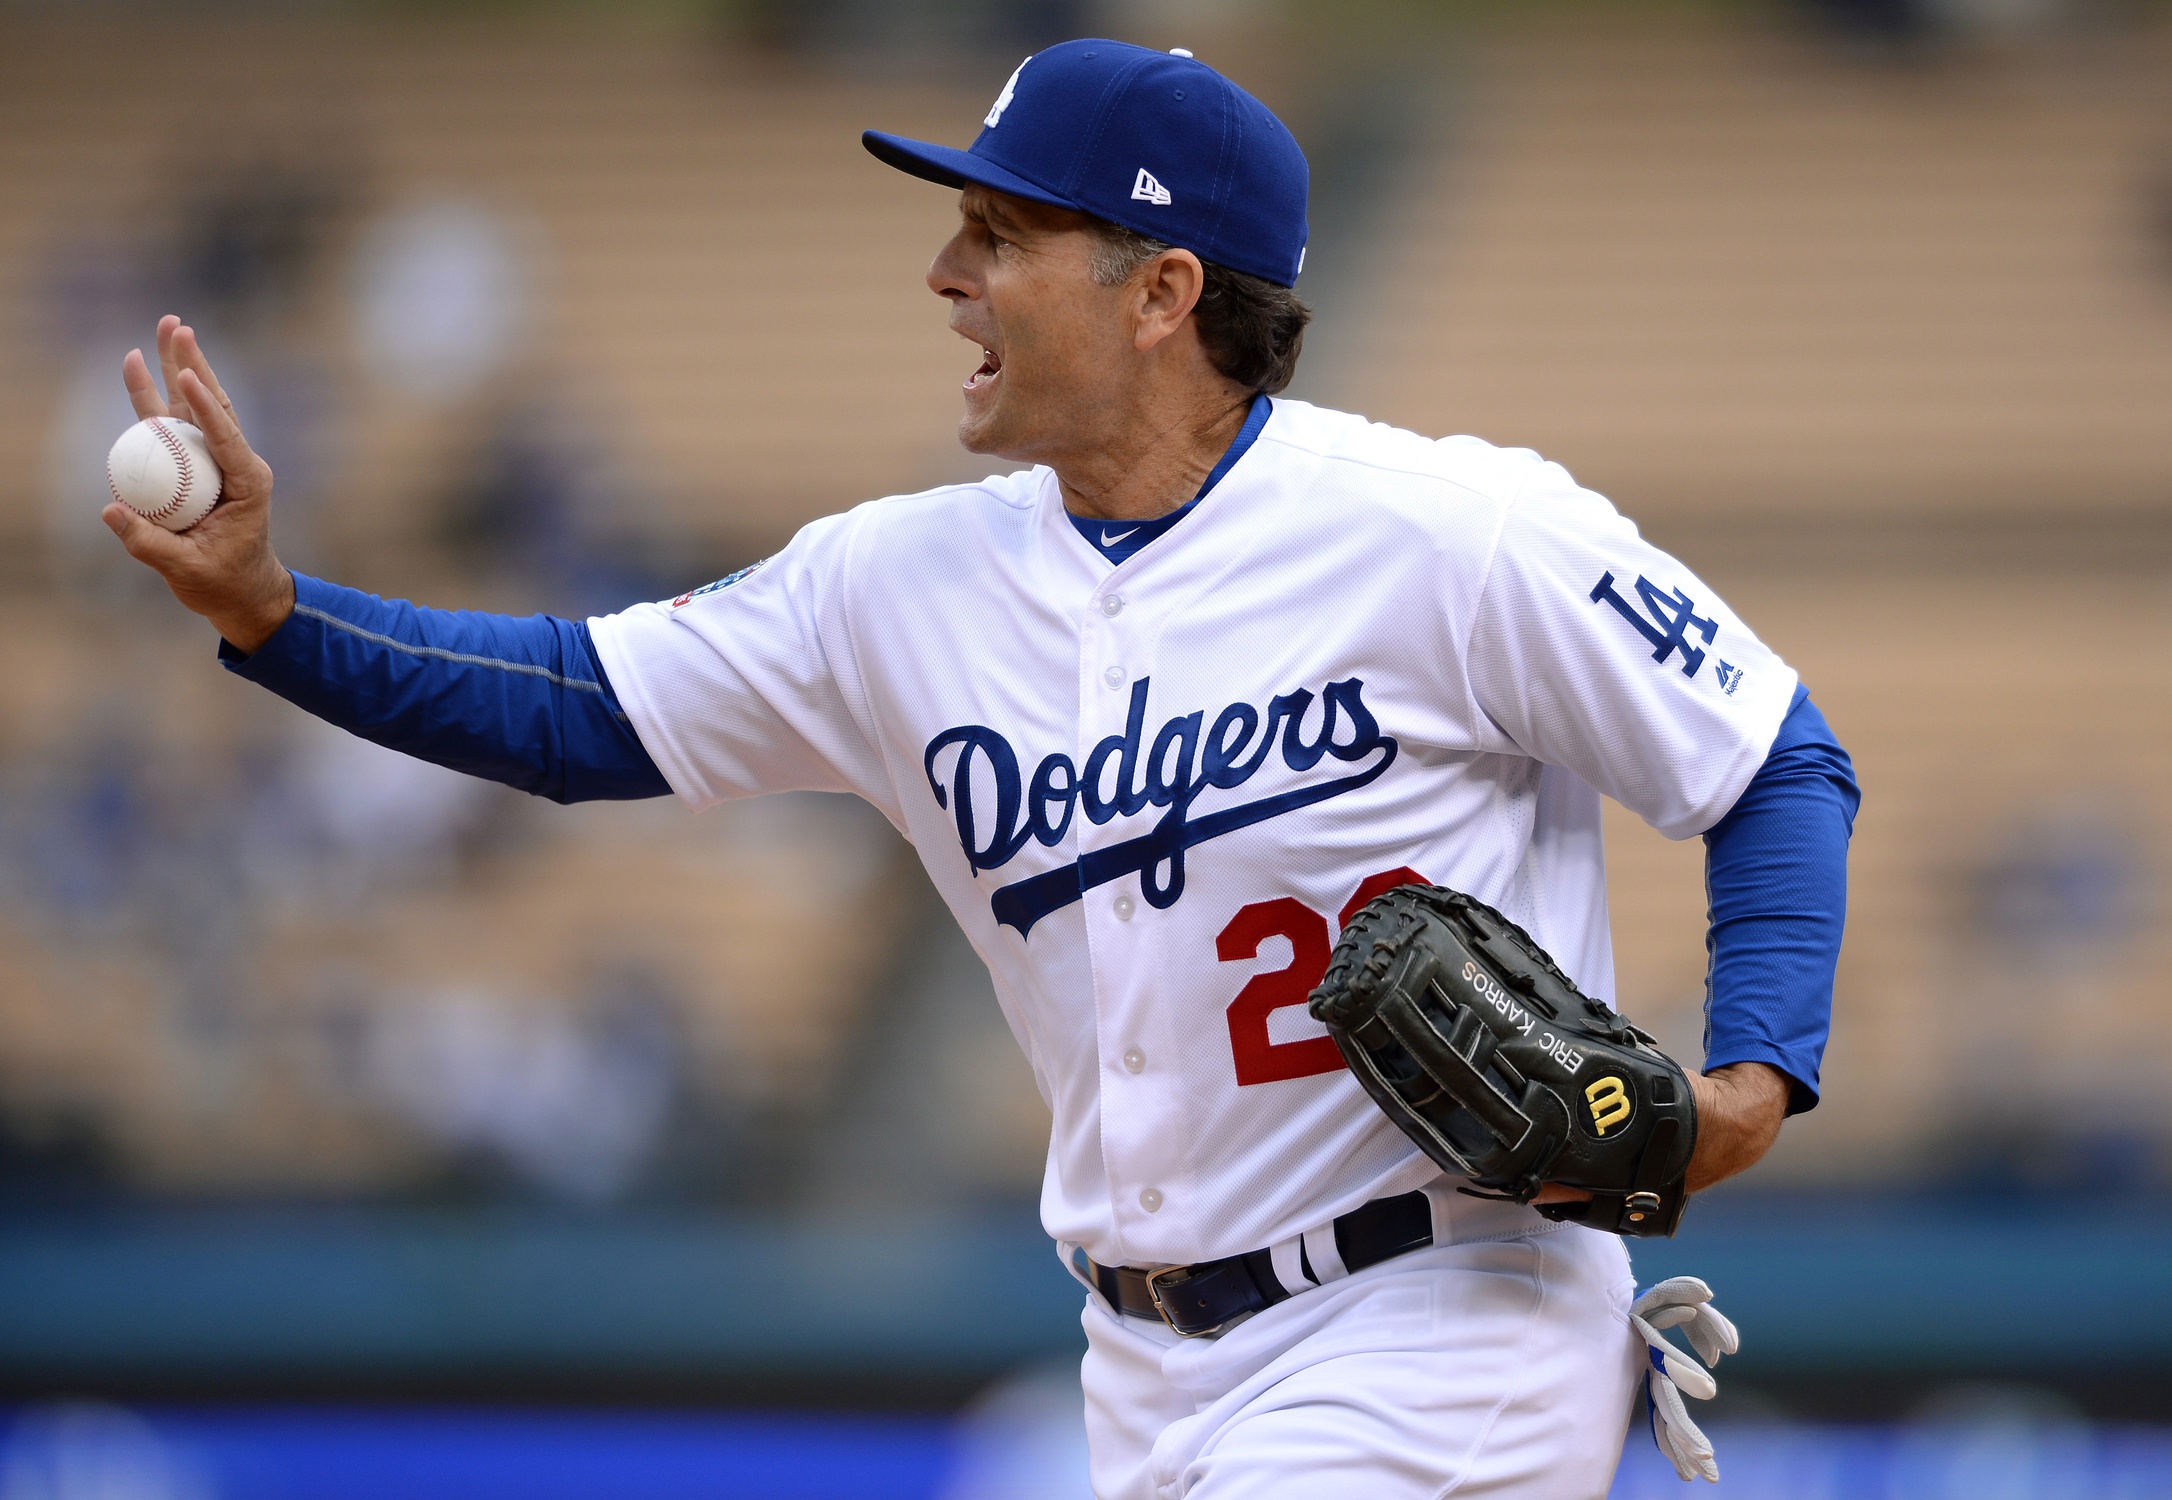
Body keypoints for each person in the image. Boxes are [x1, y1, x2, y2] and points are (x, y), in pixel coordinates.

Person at [105, 40, 1857, 1499]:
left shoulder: (1450, 535)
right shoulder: (896, 585)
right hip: (1142, 1363)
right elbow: (581, 708)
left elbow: (1775, 753)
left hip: (1449, 1308)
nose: (947, 276)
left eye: (1003, 234)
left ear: (1165, 290)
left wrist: (1748, 1089)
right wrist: (274, 612)